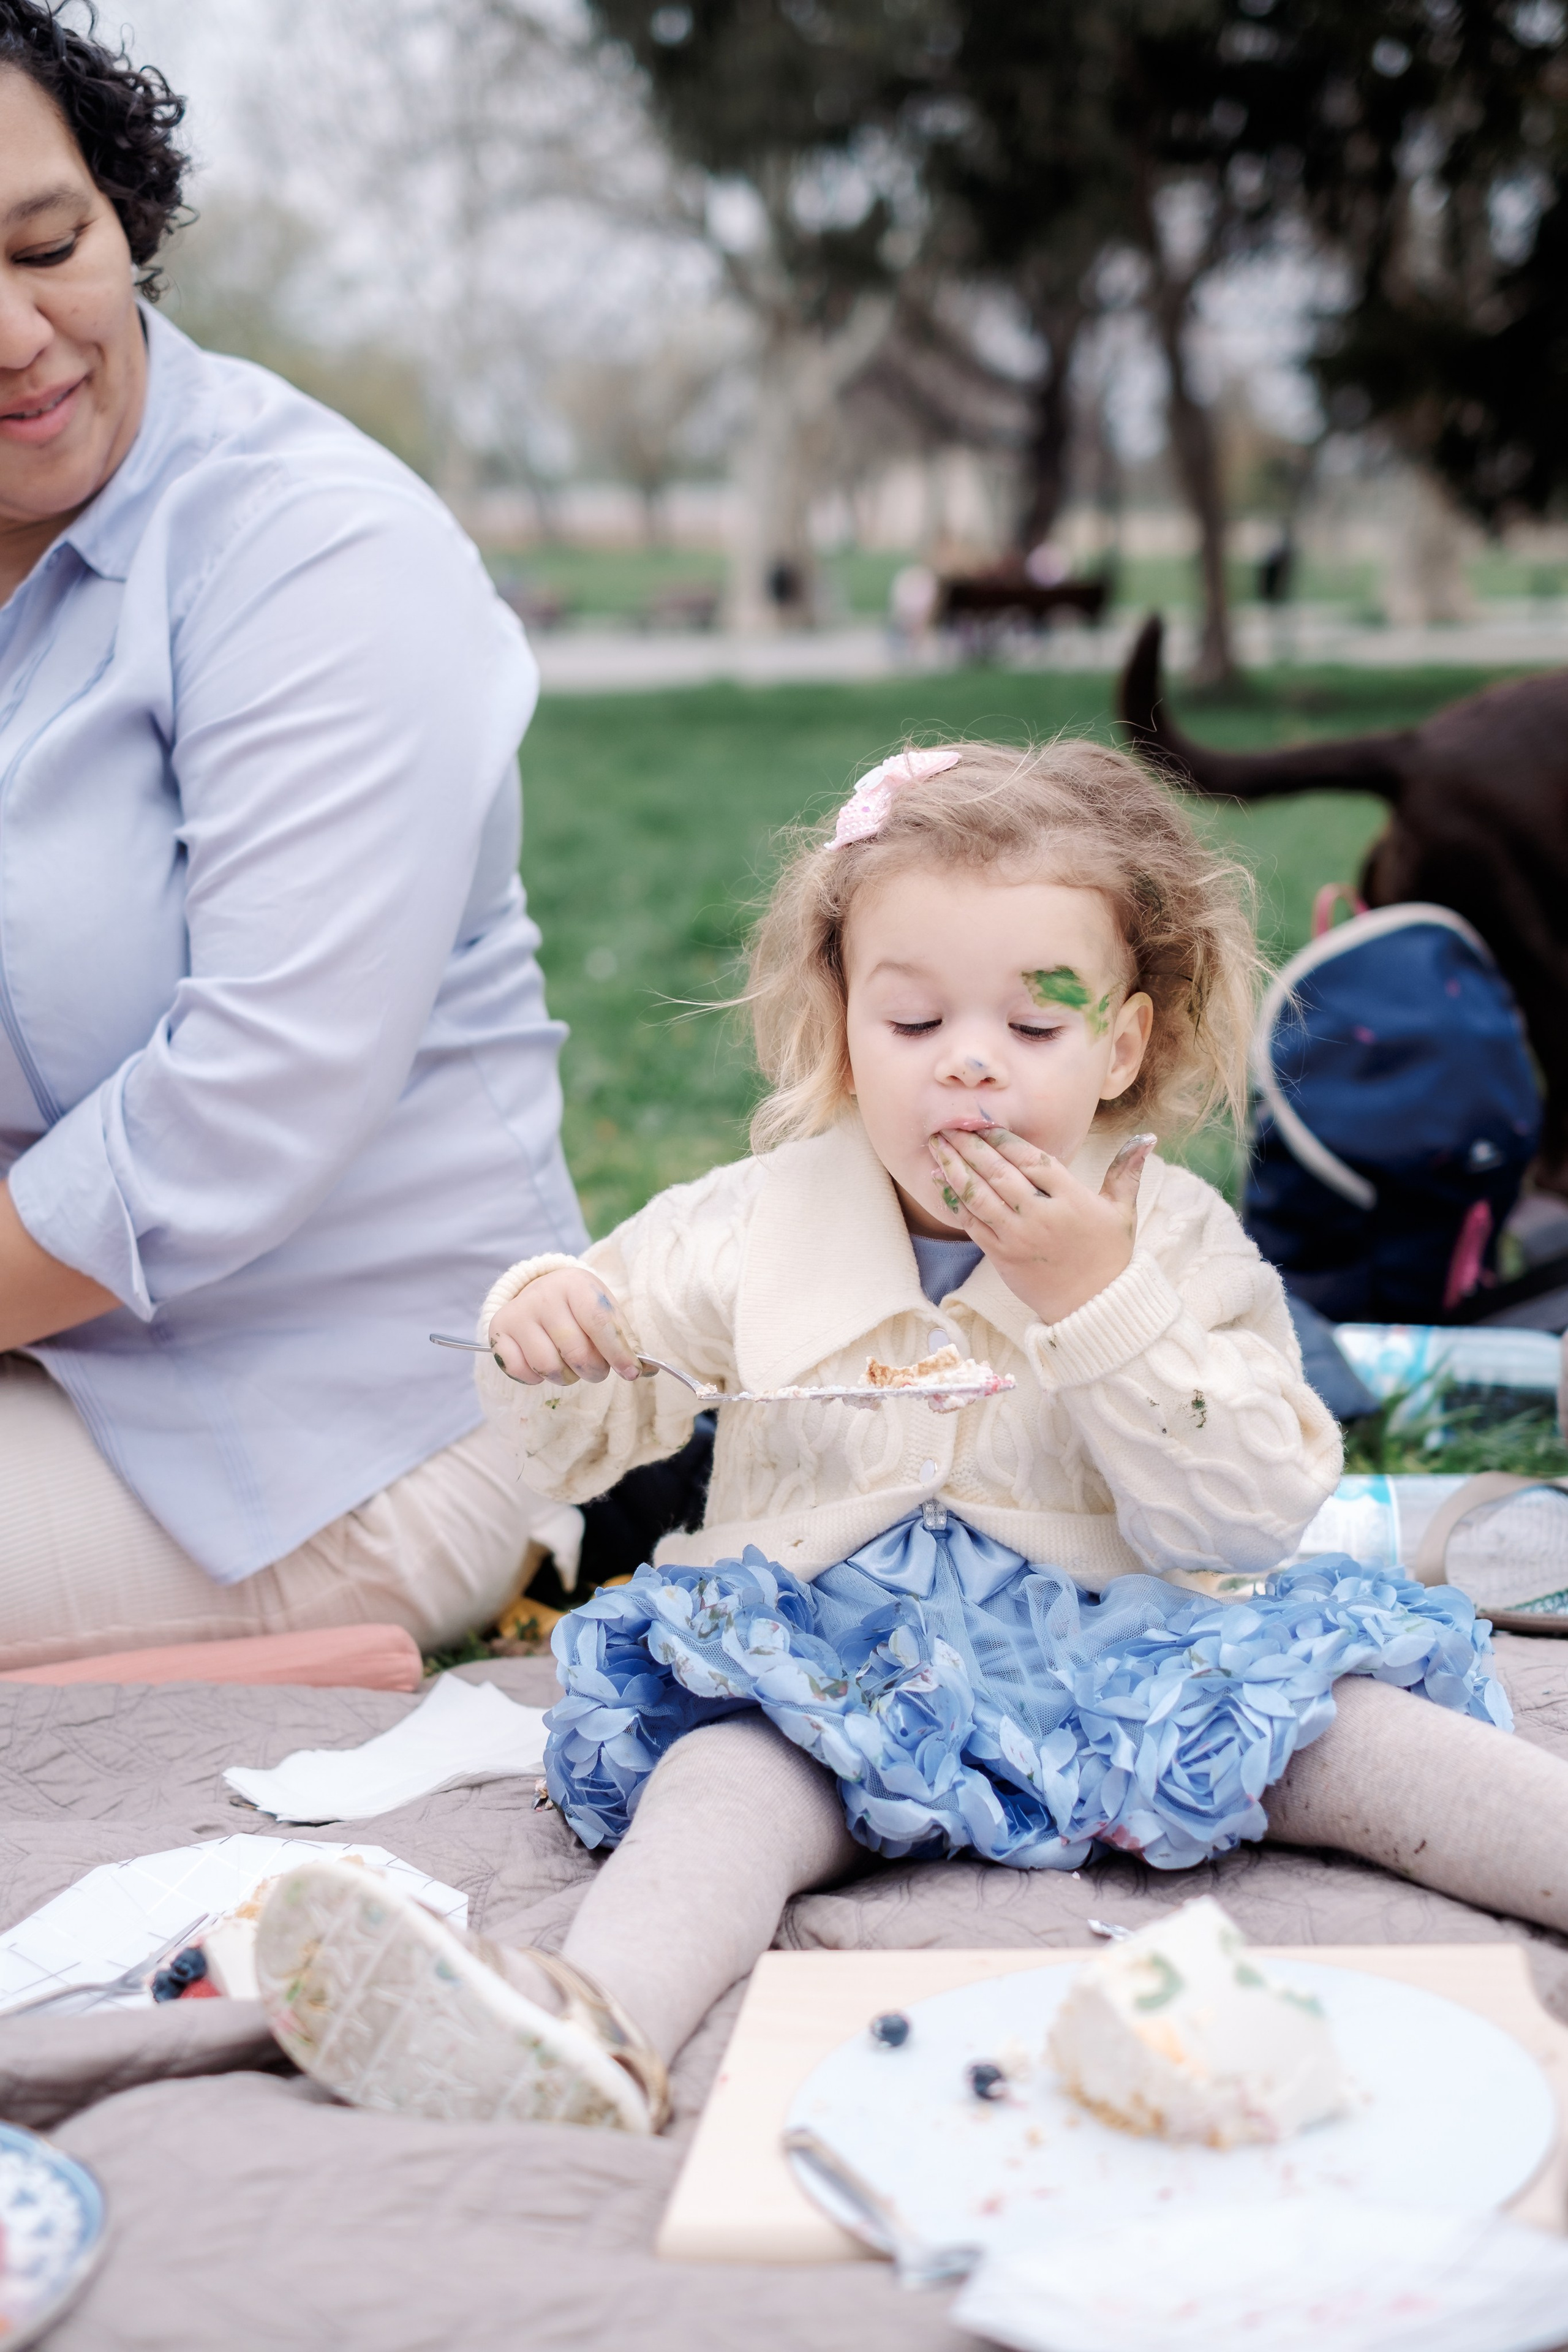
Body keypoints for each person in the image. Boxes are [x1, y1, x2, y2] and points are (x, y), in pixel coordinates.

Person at [255, 737, 1566, 2136]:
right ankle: (587, 2027)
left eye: (1036, 1026)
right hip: (825, 1683)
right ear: (841, 1028)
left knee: (1359, 1735)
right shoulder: (752, 1225)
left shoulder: (1168, 1239)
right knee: (719, 1792)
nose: (970, 1065)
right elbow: (579, 1436)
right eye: (915, 1021)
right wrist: (547, 1322)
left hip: (1130, 1661)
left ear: (1121, 1044)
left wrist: (1100, 1301)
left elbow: (1248, 1508)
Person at [0, 4, 585, 1667]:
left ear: (124, 213)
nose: (20, 337)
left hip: (353, 1423)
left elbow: (242, 1111)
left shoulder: (317, 551)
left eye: (50, 247)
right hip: (50, 1361)